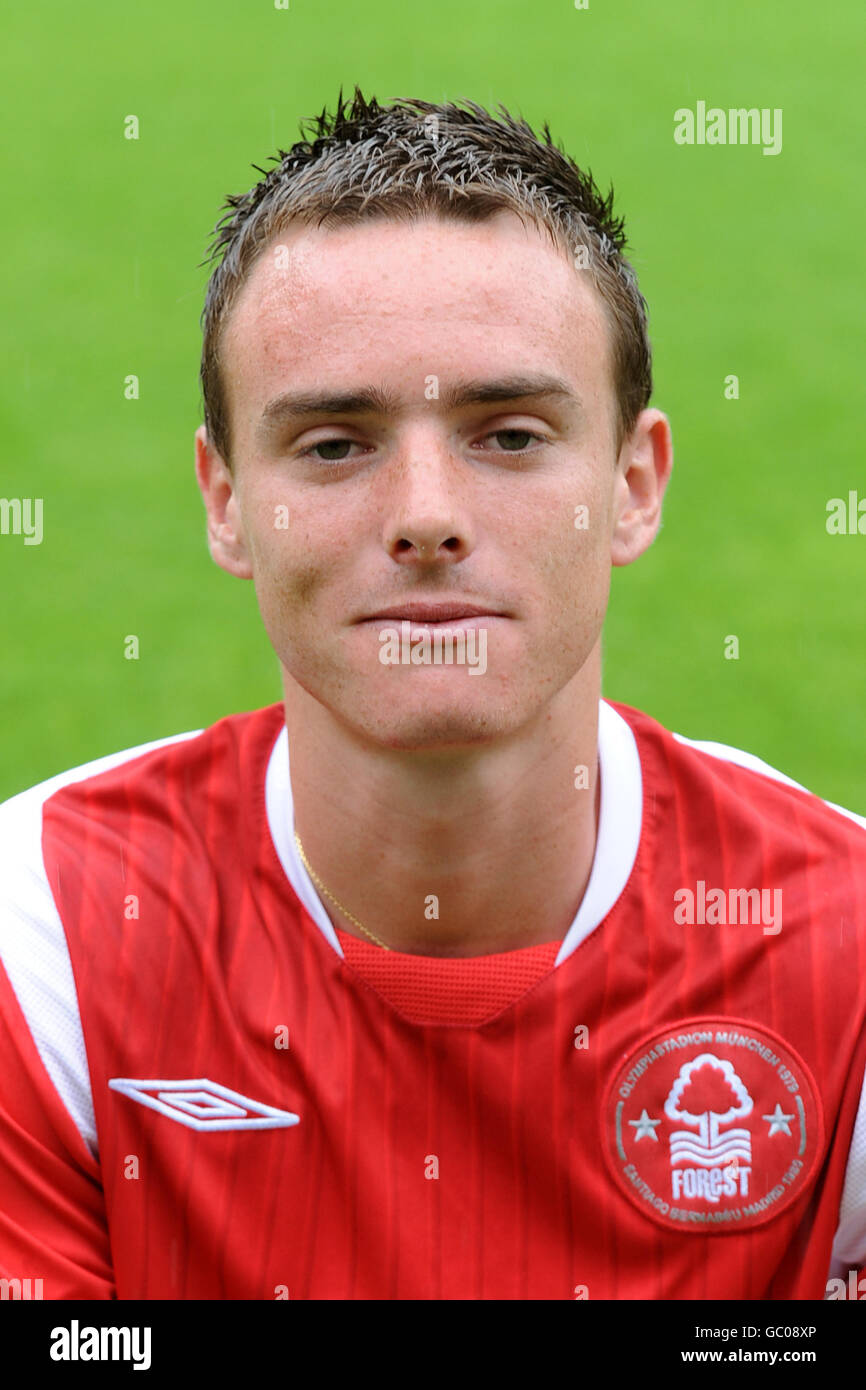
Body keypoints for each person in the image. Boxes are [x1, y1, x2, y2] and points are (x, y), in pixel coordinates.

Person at [0, 88, 864, 1301]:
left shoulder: (841, 944)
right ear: (224, 500)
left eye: (507, 435)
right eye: (333, 443)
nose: (424, 518)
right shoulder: (42, 938)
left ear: (632, 482)